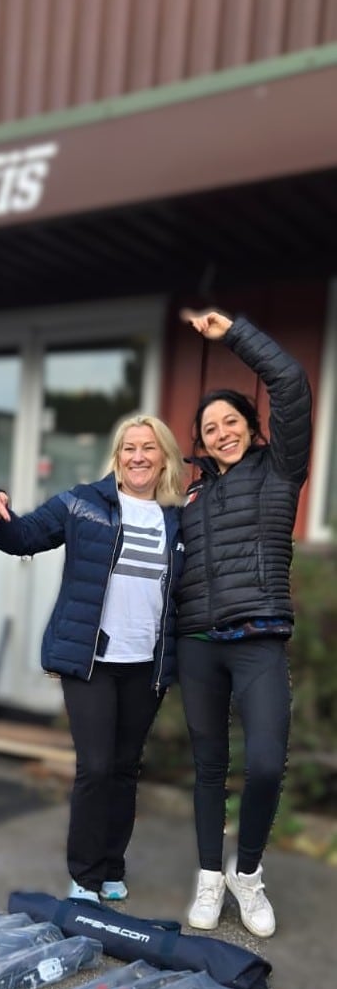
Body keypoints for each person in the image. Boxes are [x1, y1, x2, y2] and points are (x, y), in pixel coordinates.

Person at [0, 414, 185, 904]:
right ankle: (85, 876)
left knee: (127, 768)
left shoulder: (177, 518)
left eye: (149, 448)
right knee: (97, 765)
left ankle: (112, 866)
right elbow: (21, 536)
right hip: (92, 658)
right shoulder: (82, 504)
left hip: (146, 663)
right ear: (117, 455)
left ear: (164, 457)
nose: (138, 457)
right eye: (129, 447)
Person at [177, 309, 312, 938]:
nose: (222, 431)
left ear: (252, 428)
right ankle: (209, 874)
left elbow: (290, 383)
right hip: (199, 641)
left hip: (258, 639)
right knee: (208, 765)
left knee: (263, 763)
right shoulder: (193, 492)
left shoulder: (280, 468)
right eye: (210, 428)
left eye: (231, 421)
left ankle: (246, 874)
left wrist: (232, 335)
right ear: (200, 443)